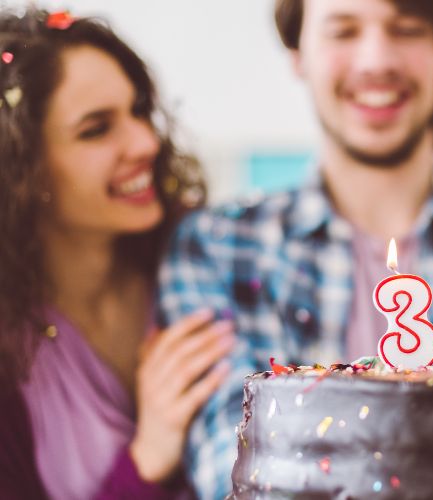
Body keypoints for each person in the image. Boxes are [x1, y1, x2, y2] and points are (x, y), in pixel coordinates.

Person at [157, 0, 433, 496]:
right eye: (343, 30)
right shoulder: (219, 250)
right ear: (298, 54)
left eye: (407, 29)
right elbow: (239, 471)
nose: (376, 60)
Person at [0, 9, 234, 499]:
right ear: (21, 167)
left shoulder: (201, 254)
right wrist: (146, 458)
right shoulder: (10, 360)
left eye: (139, 111)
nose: (146, 142)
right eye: (96, 129)